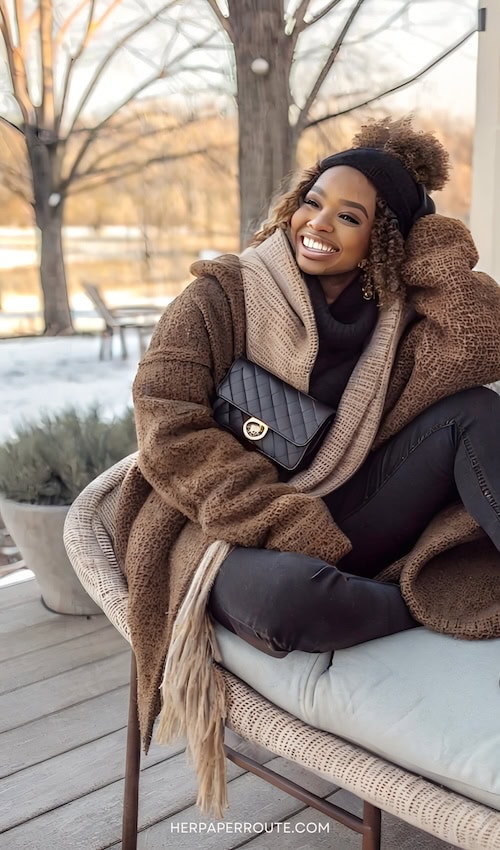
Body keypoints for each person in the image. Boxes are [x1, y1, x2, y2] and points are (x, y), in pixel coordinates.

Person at [115, 117, 500, 815]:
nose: (315, 223)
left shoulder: (393, 314)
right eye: (312, 200)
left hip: (342, 510)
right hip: (220, 527)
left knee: (476, 410)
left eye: (348, 216)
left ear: (383, 240)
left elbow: (484, 341)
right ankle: (424, 606)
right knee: (289, 602)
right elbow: (165, 420)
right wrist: (279, 519)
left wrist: (431, 242)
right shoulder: (221, 294)